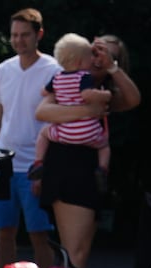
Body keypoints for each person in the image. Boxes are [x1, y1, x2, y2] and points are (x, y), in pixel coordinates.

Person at [34, 33, 142, 268]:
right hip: (67, 165)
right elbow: (42, 112)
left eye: (109, 55)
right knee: (74, 252)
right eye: (95, 51)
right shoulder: (67, 81)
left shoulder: (103, 90)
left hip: (91, 170)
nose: (99, 58)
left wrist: (112, 69)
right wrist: (88, 111)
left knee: (79, 250)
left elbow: (134, 99)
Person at [0, 8, 59, 268]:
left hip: (35, 165)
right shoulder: (4, 69)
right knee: (4, 232)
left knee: (40, 234)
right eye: (14, 35)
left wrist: (47, 162)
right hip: (4, 164)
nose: (18, 40)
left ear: (39, 34)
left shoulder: (54, 69)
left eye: (25, 35)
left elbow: (58, 118)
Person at [29, 35, 109, 194]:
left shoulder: (57, 77)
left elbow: (44, 91)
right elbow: (87, 95)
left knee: (44, 133)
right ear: (80, 62)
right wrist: (105, 95)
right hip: (88, 131)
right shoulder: (84, 77)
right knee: (105, 145)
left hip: (64, 133)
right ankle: (102, 169)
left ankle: (38, 162)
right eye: (89, 57)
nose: (92, 60)